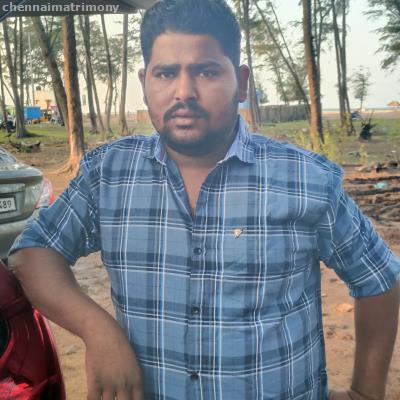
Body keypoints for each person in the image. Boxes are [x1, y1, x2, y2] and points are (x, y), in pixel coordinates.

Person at [8, 1, 399, 399]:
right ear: (145, 83)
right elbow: (34, 252)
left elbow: (378, 278)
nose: (184, 92)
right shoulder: (108, 174)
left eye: (206, 71)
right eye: (166, 73)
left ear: (241, 83)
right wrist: (98, 330)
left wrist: (365, 392)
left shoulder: (305, 179)